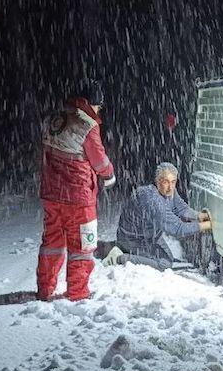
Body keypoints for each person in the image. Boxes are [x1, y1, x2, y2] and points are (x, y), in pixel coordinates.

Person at [37, 79, 115, 301]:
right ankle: (78, 293)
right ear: (92, 103)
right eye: (99, 106)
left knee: (51, 243)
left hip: (52, 193)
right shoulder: (88, 124)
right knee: (82, 245)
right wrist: (109, 174)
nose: (99, 110)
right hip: (79, 197)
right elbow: (99, 160)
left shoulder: (56, 117)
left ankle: (45, 289)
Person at [102, 162, 211, 270]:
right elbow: (177, 229)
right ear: (158, 181)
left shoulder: (169, 190)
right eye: (166, 182)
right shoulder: (153, 200)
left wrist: (199, 216)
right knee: (164, 264)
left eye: (173, 182)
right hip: (133, 239)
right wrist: (208, 225)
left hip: (150, 236)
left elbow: (181, 208)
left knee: (170, 258)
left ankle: (118, 247)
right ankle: (121, 258)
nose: (170, 187)